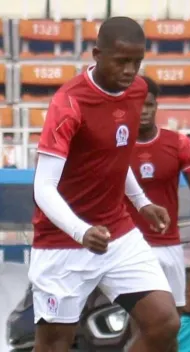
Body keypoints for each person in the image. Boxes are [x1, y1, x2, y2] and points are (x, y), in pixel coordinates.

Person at [30, 17, 180, 352]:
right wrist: (80, 231)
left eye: (137, 62)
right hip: (62, 245)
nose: (130, 70)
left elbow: (114, 152)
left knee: (164, 323)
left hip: (117, 234)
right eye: (122, 61)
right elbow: (43, 186)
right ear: (97, 54)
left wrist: (140, 202)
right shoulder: (68, 104)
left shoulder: (138, 90)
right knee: (54, 346)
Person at [126, 75, 190, 312]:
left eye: (149, 105)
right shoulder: (116, 145)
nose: (144, 111)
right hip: (128, 245)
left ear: (156, 106)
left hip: (169, 245)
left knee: (172, 319)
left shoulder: (179, 143)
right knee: (137, 318)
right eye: (138, 104)